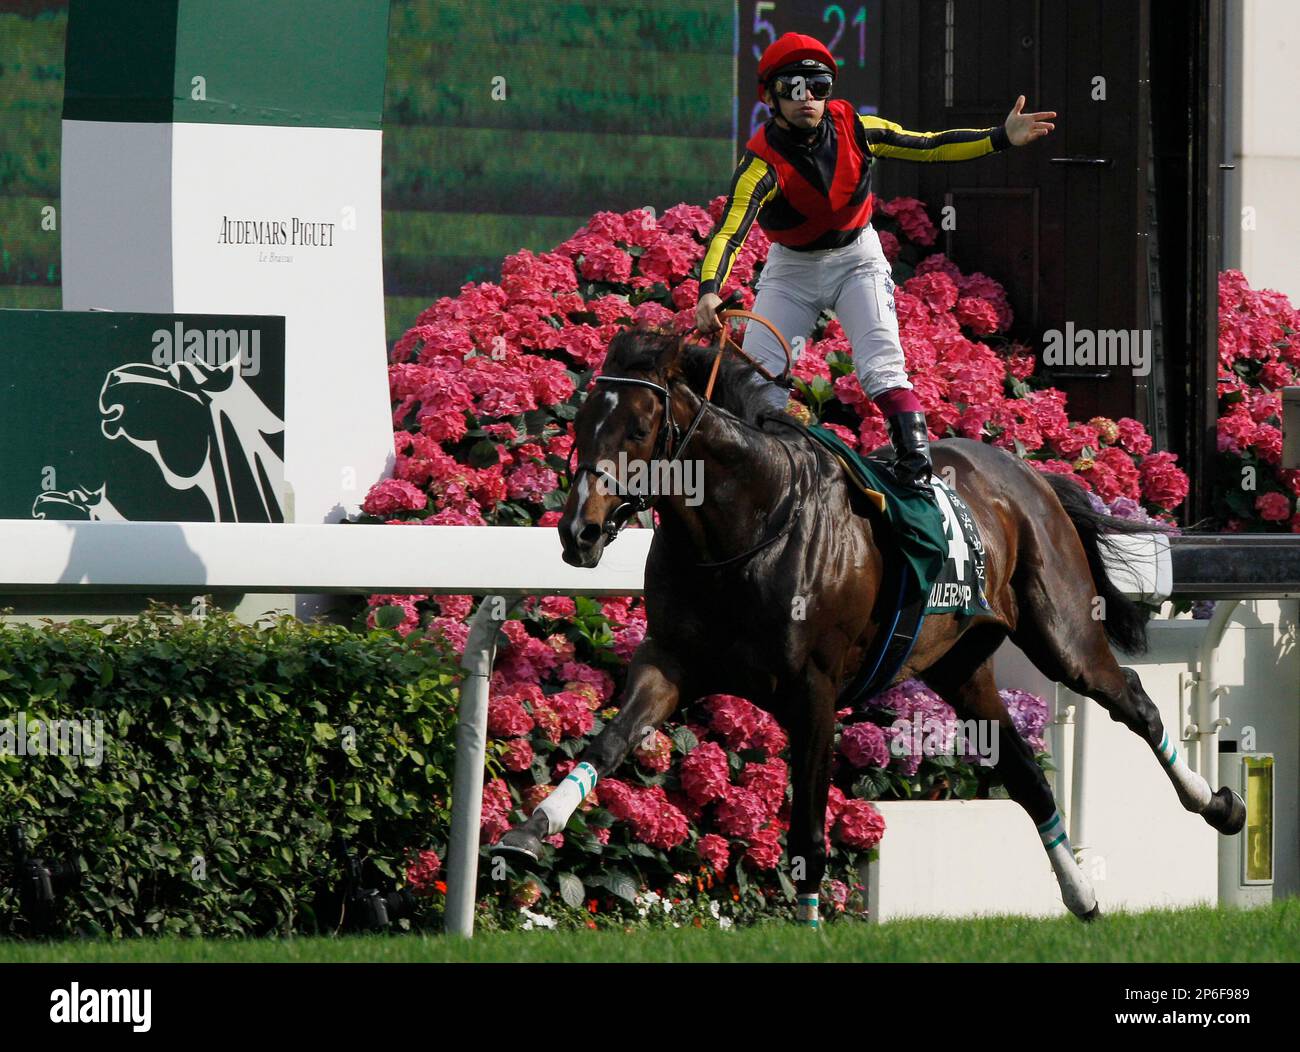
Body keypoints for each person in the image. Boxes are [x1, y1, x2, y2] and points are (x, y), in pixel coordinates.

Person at [695, 32, 1055, 497]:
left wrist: (1000, 137)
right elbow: (730, 231)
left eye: (818, 85)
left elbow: (929, 146)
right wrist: (708, 288)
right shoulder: (761, 162)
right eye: (793, 87)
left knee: (882, 369)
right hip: (791, 270)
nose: (807, 98)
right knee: (761, 380)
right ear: (769, 96)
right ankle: (763, 479)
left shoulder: (857, 128)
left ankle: (918, 471)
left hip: (856, 259)